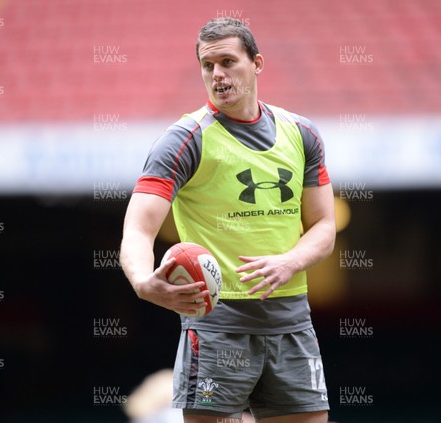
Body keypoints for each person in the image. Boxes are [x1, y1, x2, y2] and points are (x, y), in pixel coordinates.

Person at [121, 17, 335, 423]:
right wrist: (141, 280)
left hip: (292, 320)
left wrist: (290, 262)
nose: (217, 75)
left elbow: (324, 225)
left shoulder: (302, 134)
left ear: (257, 63)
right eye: (207, 66)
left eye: (227, 62)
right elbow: (138, 227)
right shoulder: (183, 139)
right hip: (217, 325)